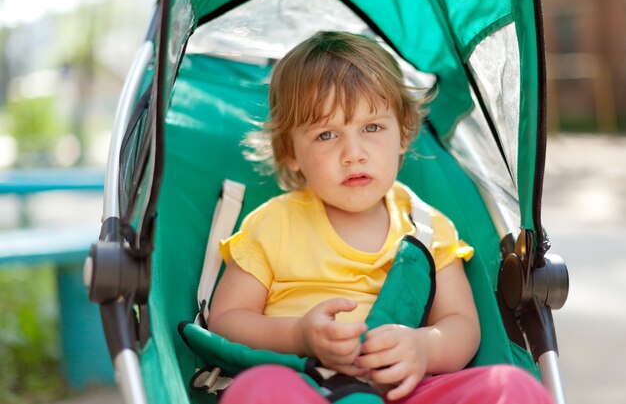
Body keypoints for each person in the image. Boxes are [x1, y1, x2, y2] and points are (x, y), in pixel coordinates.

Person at [207, 31, 554, 404]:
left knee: (511, 387)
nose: (353, 153)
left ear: (403, 134)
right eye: (326, 135)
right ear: (291, 152)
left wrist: (422, 348)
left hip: (405, 388)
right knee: (255, 390)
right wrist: (299, 336)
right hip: (307, 385)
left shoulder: (428, 228)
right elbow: (226, 320)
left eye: (371, 128)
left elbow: (462, 325)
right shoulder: (271, 225)